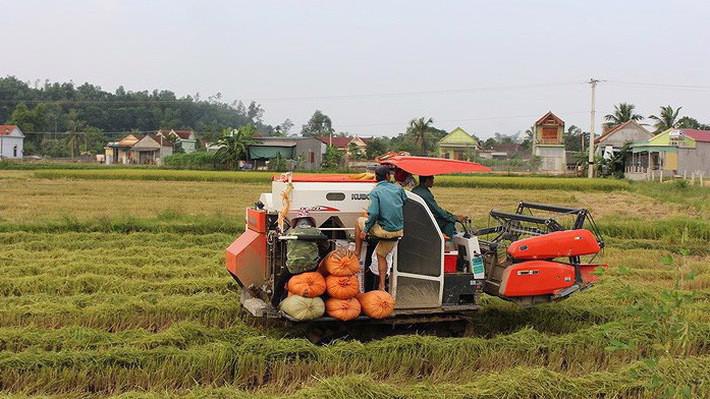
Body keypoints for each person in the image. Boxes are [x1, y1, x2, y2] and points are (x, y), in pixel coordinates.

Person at [354, 165, 407, 291]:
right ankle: (382, 286)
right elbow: (404, 201)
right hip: (397, 231)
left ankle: (356, 252)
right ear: (389, 176)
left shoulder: (375, 192)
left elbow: (374, 213)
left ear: (375, 178)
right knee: (381, 254)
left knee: (358, 221)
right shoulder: (398, 189)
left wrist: (365, 231)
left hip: (383, 231)